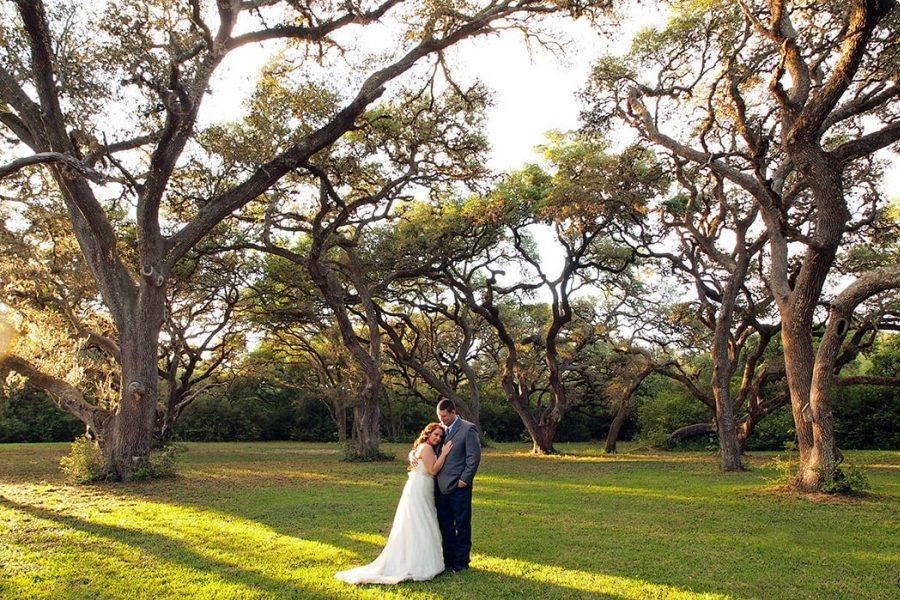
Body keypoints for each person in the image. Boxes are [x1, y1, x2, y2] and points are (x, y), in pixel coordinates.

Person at [334, 423, 453, 584]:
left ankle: (416, 558)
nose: (438, 438)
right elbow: (432, 470)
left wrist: (412, 454)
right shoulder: (427, 448)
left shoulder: (421, 447)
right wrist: (444, 454)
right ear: (428, 433)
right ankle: (420, 562)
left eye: (440, 436)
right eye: (435, 434)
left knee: (418, 520)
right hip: (421, 486)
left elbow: (416, 456)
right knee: (421, 520)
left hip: (418, 486)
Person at [433, 399, 481, 572]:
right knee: (445, 524)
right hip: (440, 487)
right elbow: (426, 446)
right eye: (439, 416)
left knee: (461, 524)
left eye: (444, 416)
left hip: (459, 487)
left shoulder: (468, 429)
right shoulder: (439, 430)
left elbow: (473, 458)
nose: (442, 420)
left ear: (453, 412)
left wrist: (464, 480)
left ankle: (461, 562)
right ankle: (448, 560)